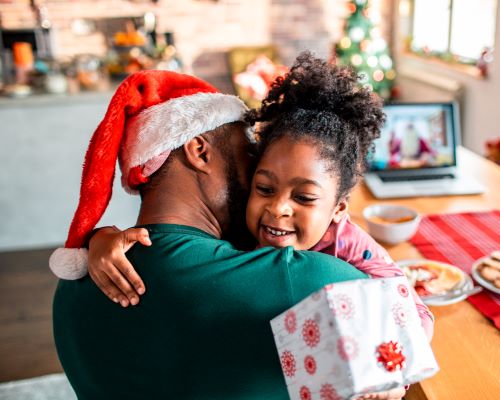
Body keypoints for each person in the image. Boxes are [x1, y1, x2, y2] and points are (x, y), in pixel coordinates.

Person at [50, 68, 406, 399]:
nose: (257, 172)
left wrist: (98, 237)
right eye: (250, 150)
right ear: (199, 151)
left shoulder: (73, 286)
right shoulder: (312, 282)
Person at [85, 53, 434, 340]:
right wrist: (99, 238)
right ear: (198, 152)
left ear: (338, 208)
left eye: (305, 197)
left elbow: (412, 313)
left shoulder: (346, 248)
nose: (278, 207)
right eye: (263, 186)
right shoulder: (250, 239)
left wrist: (391, 367)